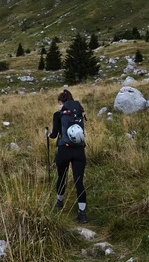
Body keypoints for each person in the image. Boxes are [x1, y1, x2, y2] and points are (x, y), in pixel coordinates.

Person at [48, 89, 88, 223]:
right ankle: (82, 213)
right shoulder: (80, 112)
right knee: (79, 182)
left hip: (64, 150)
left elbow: (54, 136)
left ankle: (59, 202)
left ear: (61, 102)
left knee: (62, 177)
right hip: (79, 151)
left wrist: (48, 134)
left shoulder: (58, 114)